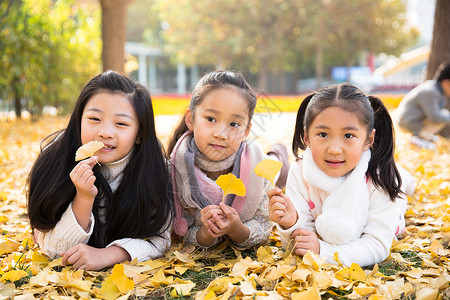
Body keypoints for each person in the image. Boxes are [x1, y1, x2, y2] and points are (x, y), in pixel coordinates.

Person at [27, 70, 173, 271]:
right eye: (94, 119)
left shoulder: (154, 169)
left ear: (139, 133)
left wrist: (108, 255)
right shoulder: (55, 161)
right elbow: (53, 250)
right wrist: (84, 197)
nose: (105, 132)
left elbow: (160, 238)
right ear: (79, 119)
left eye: (121, 123)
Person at [268, 83, 415, 267]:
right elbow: (303, 242)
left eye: (348, 136)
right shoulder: (300, 172)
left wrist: (324, 251)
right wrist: (291, 224)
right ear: (306, 137)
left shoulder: (380, 179)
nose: (335, 149)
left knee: (399, 188)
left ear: (368, 139)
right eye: (323, 134)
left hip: (387, 196)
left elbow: (377, 245)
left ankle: (406, 179)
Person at [168, 70, 274, 249]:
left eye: (234, 124)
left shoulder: (259, 167)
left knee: (278, 166)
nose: (220, 134)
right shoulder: (174, 169)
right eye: (211, 119)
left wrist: (237, 229)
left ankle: (277, 155)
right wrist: (204, 233)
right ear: (191, 119)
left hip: (263, 161)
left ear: (246, 132)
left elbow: (264, 225)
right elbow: (179, 230)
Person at [396, 62, 450, 149]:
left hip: (412, 120)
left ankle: (423, 136)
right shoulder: (431, 91)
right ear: (446, 82)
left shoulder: (436, 89)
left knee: (444, 114)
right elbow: (435, 117)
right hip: (408, 122)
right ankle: (418, 137)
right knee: (444, 114)